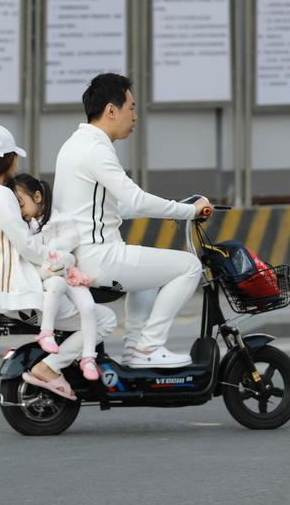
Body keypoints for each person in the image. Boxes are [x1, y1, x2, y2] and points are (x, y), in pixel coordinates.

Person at [53, 73, 211, 368]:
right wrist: (188, 211)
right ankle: (148, 347)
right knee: (190, 267)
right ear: (111, 111)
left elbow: (117, 207)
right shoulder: (97, 150)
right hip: (100, 258)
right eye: (132, 108)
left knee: (148, 277)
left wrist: (175, 208)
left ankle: (134, 349)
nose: (135, 117)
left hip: (80, 257)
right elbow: (136, 199)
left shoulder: (74, 145)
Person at [0, 124, 115, 399]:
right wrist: (65, 258)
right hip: (16, 294)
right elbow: (28, 247)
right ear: (9, 159)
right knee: (105, 319)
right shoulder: (2, 196)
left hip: (2, 290)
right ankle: (50, 367)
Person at [7, 173, 100, 381]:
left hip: (70, 273)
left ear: (37, 197)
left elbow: (71, 239)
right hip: (50, 274)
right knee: (56, 284)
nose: (20, 212)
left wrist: (55, 252)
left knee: (89, 307)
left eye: (21, 204)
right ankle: (46, 332)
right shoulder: (24, 227)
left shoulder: (59, 220)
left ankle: (88, 357)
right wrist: (56, 258)